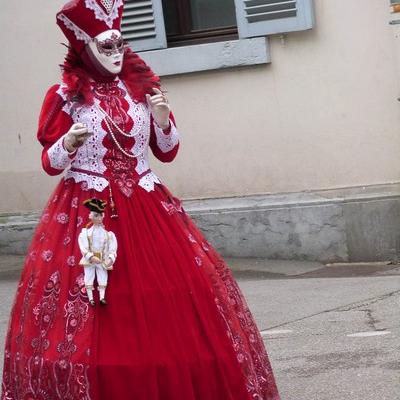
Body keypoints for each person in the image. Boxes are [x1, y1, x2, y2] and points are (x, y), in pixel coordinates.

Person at [1, 1, 281, 399]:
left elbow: (166, 150)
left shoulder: (141, 88)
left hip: (148, 205)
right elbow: (50, 162)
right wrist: (69, 141)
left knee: (174, 301)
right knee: (96, 303)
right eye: (106, 48)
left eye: (119, 46)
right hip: (89, 209)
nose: (116, 56)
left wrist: (164, 120)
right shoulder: (66, 97)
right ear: (84, 49)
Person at [78, 198, 117, 306]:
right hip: (90, 259)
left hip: (102, 259)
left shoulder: (108, 234)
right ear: (91, 216)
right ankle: (91, 298)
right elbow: (83, 247)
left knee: (102, 275)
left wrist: (110, 259)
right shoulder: (85, 233)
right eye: (95, 215)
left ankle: (102, 297)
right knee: (89, 275)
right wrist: (90, 256)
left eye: (99, 215)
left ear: (102, 216)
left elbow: (112, 248)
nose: (98, 218)